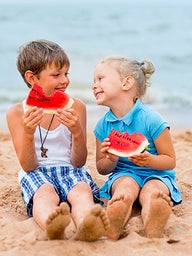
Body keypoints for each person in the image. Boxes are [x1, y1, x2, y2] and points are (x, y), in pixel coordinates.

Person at [6, 40, 109, 241]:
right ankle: (52, 225)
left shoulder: (76, 107)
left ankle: (87, 224)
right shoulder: (16, 113)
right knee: (44, 196)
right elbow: (28, 166)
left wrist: (77, 132)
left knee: (82, 192)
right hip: (36, 172)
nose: (65, 80)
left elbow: (78, 162)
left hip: (71, 169)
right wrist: (28, 133)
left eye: (66, 73)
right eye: (56, 75)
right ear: (32, 77)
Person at [92, 56, 182, 240]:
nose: (94, 85)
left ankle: (153, 221)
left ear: (126, 83)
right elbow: (102, 169)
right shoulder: (102, 126)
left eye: (100, 79)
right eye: (93, 81)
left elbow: (170, 161)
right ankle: (116, 219)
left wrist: (149, 160)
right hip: (123, 174)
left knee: (153, 191)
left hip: (157, 174)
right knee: (125, 188)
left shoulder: (152, 119)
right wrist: (111, 159)